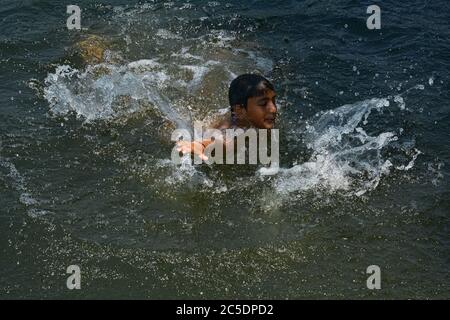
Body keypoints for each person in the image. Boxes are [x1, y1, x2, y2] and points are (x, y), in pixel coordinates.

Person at [176, 74, 277, 161]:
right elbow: (222, 143)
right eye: (263, 103)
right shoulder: (236, 131)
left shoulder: (259, 118)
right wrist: (201, 146)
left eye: (273, 101)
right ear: (240, 110)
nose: (273, 109)